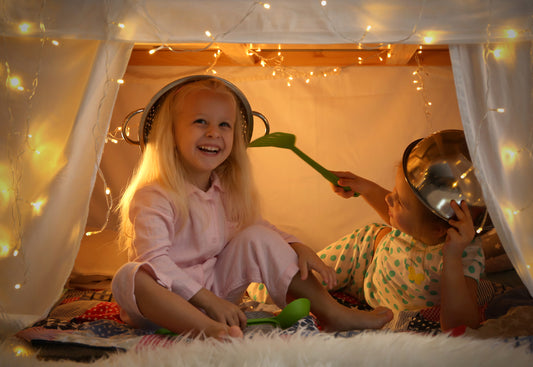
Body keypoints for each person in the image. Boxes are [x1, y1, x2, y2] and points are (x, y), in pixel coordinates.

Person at [111, 77, 393, 340]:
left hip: (216, 296)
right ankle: (210, 331)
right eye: (200, 121)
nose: (213, 133)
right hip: (166, 305)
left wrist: (298, 246)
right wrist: (209, 302)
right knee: (131, 275)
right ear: (170, 134)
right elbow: (157, 262)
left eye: (225, 125)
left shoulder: (223, 189)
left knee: (256, 235)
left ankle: (332, 312)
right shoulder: (154, 196)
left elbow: (258, 227)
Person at [318, 130, 485, 331]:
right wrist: (365, 188)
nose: (389, 199)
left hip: (379, 298)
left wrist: (452, 257)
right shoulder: (420, 223)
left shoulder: (464, 256)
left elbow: (461, 325)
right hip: (365, 254)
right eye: (394, 192)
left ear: (437, 230)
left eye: (400, 202)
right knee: (306, 276)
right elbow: (397, 216)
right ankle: (278, 281)